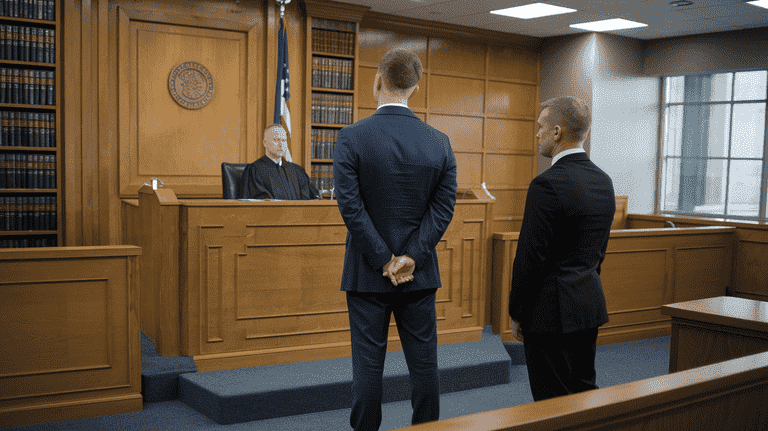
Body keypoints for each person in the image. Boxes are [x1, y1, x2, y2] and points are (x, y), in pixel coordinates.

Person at [333, 49, 457, 431]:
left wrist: (384, 258)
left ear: (377, 81)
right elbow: (443, 207)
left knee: (367, 367)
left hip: (367, 275)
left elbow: (350, 208)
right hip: (418, 276)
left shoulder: (351, 137)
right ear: (415, 87)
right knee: (424, 365)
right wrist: (412, 257)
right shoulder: (439, 141)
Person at [508, 96, 615, 402]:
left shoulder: (546, 184)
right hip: (588, 305)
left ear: (556, 132)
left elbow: (531, 257)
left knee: (551, 402)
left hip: (548, 314)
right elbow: (598, 253)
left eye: (540, 127)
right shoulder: (603, 182)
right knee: (584, 395)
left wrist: (517, 312)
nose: (537, 133)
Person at [240, 124, 319, 199]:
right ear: (265, 143)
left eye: (284, 140)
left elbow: (311, 197)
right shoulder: (255, 170)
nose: (281, 144)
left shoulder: (296, 170)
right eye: (276, 140)